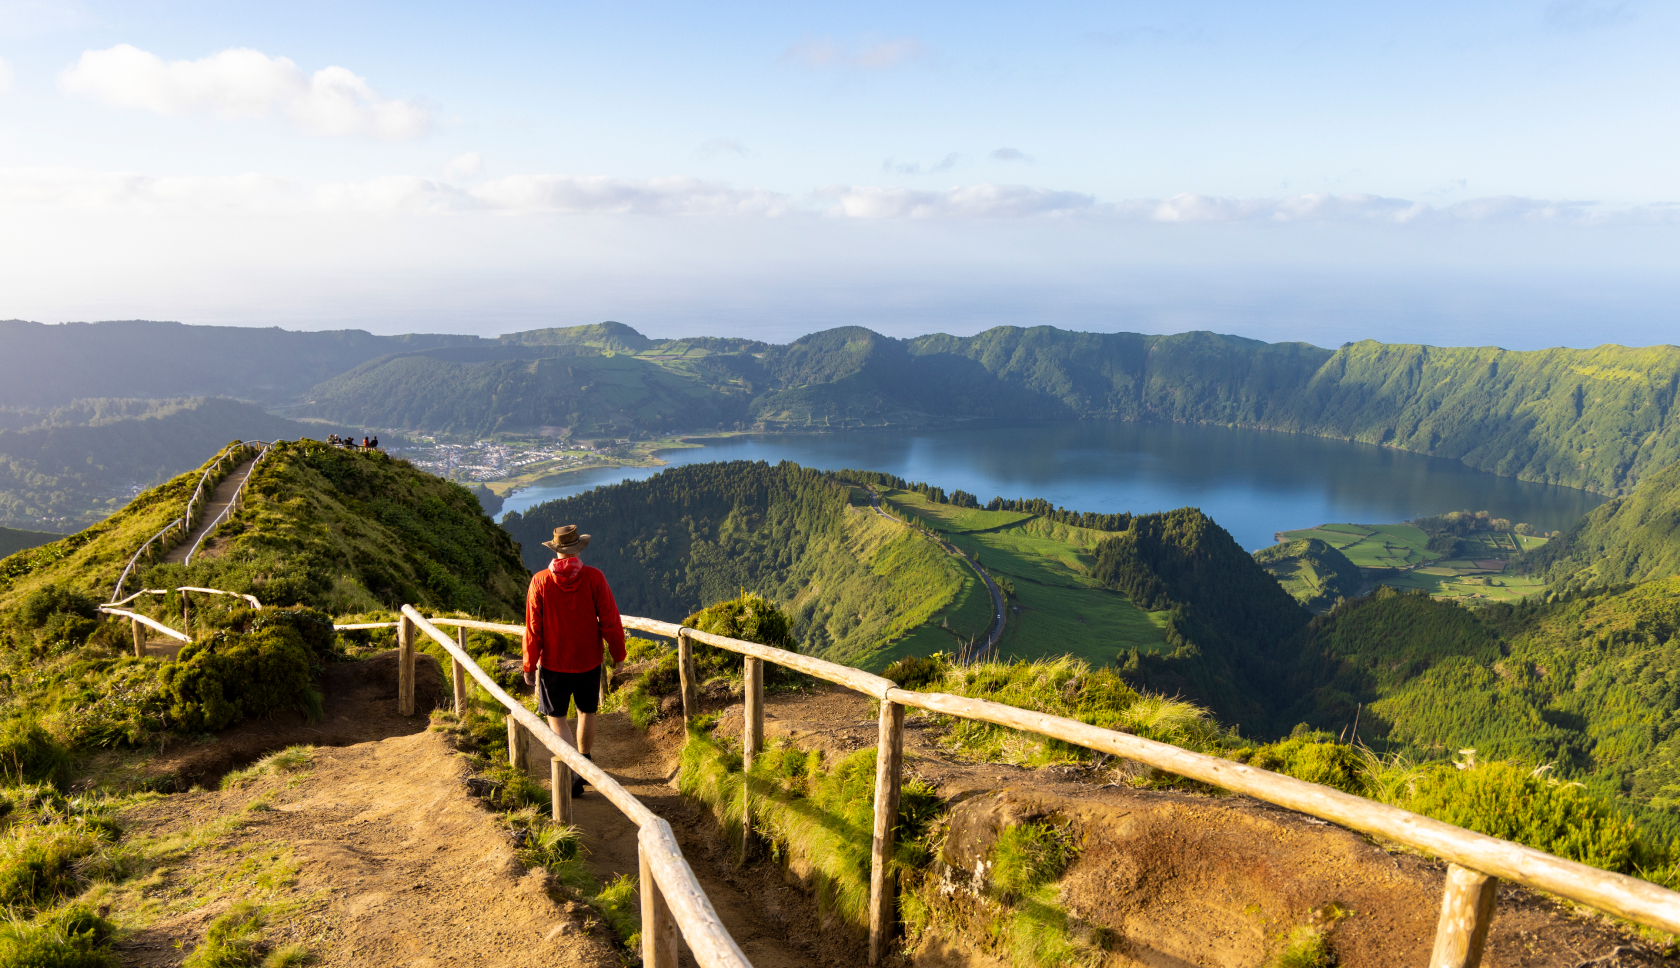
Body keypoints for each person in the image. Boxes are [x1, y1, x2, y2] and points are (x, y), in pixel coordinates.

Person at [523, 524, 625, 798]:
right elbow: (610, 620)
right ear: (578, 548)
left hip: (554, 662)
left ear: (555, 550)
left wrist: (529, 664)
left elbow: (534, 627)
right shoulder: (594, 577)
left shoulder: (540, 581)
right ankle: (585, 761)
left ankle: (573, 770)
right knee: (586, 712)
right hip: (589, 660)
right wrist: (618, 654)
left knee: (556, 718)